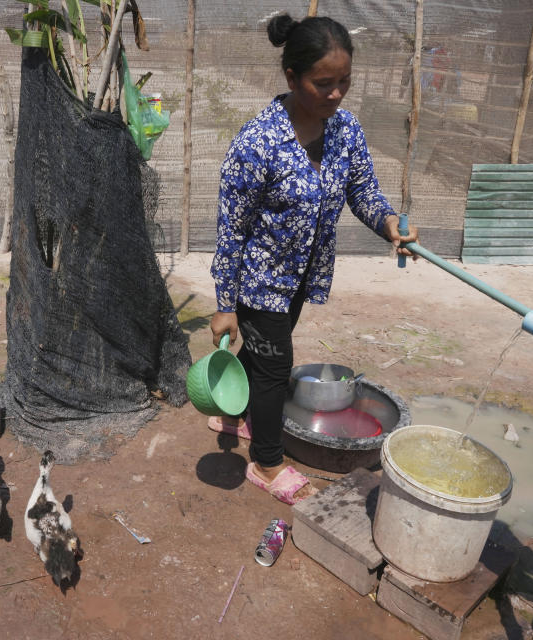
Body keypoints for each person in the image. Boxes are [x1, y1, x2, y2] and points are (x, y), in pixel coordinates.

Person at [208, 13, 418, 505]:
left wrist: (387, 221)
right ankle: (266, 460)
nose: (336, 94)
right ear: (291, 78)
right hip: (260, 281)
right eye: (324, 84)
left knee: (263, 356)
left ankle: (233, 413)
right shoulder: (258, 143)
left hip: (304, 275)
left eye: (344, 82)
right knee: (274, 369)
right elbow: (231, 230)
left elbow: (362, 189)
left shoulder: (344, 130)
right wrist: (225, 302)